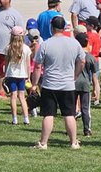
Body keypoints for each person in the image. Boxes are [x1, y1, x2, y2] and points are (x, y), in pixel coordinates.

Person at [29, 15, 85, 150]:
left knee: (48, 115)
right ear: (64, 27)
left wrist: (35, 84)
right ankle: (73, 142)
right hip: (68, 84)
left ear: (51, 27)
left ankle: (43, 142)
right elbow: (82, 61)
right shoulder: (74, 43)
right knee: (69, 114)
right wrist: (75, 75)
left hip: (50, 84)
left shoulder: (46, 44)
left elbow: (37, 67)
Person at [3, 25, 32, 125]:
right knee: (22, 97)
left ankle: (14, 118)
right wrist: (28, 76)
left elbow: (6, 63)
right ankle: (26, 118)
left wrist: (5, 74)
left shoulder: (8, 48)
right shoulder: (26, 49)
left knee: (13, 96)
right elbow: (28, 65)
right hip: (22, 75)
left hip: (11, 74)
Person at [74, 30, 97, 138]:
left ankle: (70, 128)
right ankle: (87, 129)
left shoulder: (74, 55)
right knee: (85, 109)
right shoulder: (91, 57)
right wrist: (96, 89)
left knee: (71, 108)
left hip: (73, 83)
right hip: (85, 84)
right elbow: (94, 76)